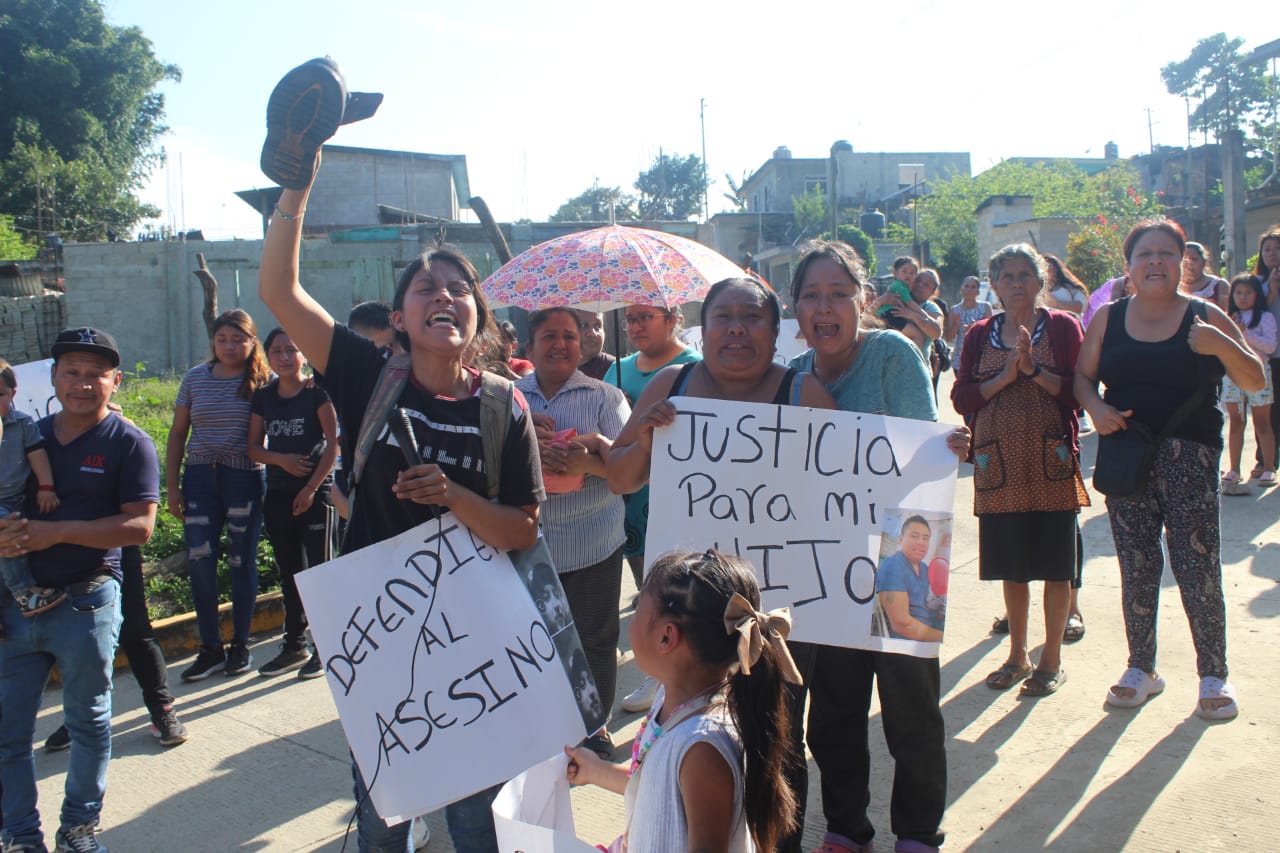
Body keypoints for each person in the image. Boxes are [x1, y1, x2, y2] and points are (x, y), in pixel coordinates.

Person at [259, 157, 545, 851]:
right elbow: (277, 288)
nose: (442, 295)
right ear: (399, 315)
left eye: (457, 288)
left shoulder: (503, 403)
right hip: (379, 638)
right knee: (383, 816)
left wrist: (453, 497)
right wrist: (298, 178)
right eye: (425, 288)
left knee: (477, 819)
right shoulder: (362, 372)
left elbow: (522, 527)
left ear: (476, 313)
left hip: (475, 642)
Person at [788, 241, 967, 853]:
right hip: (828, 571)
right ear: (796, 309)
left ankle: (917, 834)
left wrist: (909, 572)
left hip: (900, 558)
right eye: (812, 296)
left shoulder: (892, 352)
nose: (826, 307)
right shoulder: (792, 379)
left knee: (911, 712)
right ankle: (846, 830)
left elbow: (920, 460)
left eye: (839, 293)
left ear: (863, 300)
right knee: (833, 716)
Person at [1075, 218, 1262, 721]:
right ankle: (1142, 669)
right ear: (1130, 265)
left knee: (1196, 566)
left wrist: (1221, 346)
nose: (1154, 262)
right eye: (1143, 254)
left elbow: (1255, 375)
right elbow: (1083, 378)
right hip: (1125, 453)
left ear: (1183, 262)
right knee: (1136, 565)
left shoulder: (1205, 316)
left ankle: (1213, 674)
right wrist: (1095, 408)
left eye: (1164, 253)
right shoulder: (1108, 318)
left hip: (1189, 456)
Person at [0, 327, 160, 853]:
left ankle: (78, 829)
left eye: (96, 375)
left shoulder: (129, 442)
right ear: (53, 378)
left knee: (88, 723)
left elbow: (140, 527)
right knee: (8, 735)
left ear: (115, 382)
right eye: (72, 371)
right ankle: (22, 836)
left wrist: (57, 531)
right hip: (15, 606)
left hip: (86, 600)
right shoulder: (22, 435)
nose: (83, 384)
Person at [564, 549, 801, 853]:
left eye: (638, 612)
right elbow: (656, 790)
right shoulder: (671, 700)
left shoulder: (702, 747)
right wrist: (595, 771)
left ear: (666, 637)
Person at [952, 243, 1089, 699]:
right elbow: (962, 398)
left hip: (1050, 461)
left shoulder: (1064, 328)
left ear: (1040, 282)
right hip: (999, 466)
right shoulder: (979, 335)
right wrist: (1003, 378)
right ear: (994, 284)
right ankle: (1017, 654)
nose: (1015, 284)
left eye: (1024, 275)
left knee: (1056, 565)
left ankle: (1051, 658)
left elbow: (1079, 393)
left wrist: (1032, 371)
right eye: (1006, 276)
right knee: (1012, 567)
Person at [515, 307, 630, 759]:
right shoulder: (508, 398)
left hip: (595, 541)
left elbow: (634, 469)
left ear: (582, 346)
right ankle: (546, 724)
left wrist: (589, 462)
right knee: (536, 640)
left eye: (569, 335)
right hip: (528, 544)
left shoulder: (606, 398)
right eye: (549, 336)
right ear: (530, 347)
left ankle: (594, 725)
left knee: (596, 638)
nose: (560, 344)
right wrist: (526, 438)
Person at [603, 302, 701, 714]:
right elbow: (611, 439)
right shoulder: (616, 371)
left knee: (678, 595)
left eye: (647, 317)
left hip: (680, 501)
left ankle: (670, 679)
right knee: (647, 587)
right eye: (631, 319)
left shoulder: (693, 369)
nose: (637, 326)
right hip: (627, 501)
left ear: (673, 318)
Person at [167, 309, 270, 681]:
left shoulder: (262, 379)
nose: (229, 345)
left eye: (238, 338)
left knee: (242, 562)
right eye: (222, 338)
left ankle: (240, 645)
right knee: (200, 561)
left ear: (252, 341)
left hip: (243, 478)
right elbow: (178, 433)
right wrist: (173, 486)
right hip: (199, 479)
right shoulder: (196, 378)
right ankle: (210, 647)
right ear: (213, 341)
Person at [247, 328, 339, 678]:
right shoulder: (264, 397)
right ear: (267, 356)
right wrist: (282, 460)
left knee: (320, 574)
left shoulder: (317, 393)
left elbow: (333, 444)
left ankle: (327, 647)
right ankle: (294, 645)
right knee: (290, 574)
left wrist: (312, 487)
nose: (285, 357)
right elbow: (253, 447)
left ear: (303, 355)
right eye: (277, 351)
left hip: (316, 495)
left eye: (292, 349)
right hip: (279, 493)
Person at [0, 359, 64, 629]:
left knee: (18, 537)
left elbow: (37, 456)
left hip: (18, 498)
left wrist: (46, 487)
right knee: (10, 535)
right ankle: (23, 592)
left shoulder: (22, 424)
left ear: (13, 395)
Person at [1220, 273, 1277, 493]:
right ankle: (1234, 469)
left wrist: (1245, 334)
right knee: (1235, 421)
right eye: (1239, 292)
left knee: (1262, 423)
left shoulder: (1265, 317)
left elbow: (1270, 346)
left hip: (1259, 374)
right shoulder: (1226, 318)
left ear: (1257, 294)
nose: (1243, 297)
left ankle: (1269, 467)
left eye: (1248, 292)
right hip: (1232, 375)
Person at [876, 515, 944, 641]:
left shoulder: (925, 569)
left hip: (928, 634)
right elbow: (903, 625)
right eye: (914, 536)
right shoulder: (893, 566)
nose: (921, 542)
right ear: (901, 539)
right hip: (905, 646)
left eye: (925, 538)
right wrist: (943, 637)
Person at [1253, 226, 1280, 478]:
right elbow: (1257, 314)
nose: (1272, 254)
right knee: (1268, 412)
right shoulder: (1257, 284)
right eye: (1267, 249)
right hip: (1268, 356)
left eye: (1276, 248)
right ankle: (1265, 461)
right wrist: (1271, 290)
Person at [949, 275, 993, 368]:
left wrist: (976, 327)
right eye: (966, 286)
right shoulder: (954, 310)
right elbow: (948, 337)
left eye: (973, 287)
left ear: (978, 291)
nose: (969, 289)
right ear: (961, 289)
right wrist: (956, 325)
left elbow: (991, 332)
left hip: (981, 355)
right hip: (960, 357)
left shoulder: (985, 307)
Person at [1179, 241, 1229, 309]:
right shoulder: (1173, 287)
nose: (1189, 264)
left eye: (1194, 259)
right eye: (1184, 260)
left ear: (1204, 262)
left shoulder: (1219, 285)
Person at [573, 308, 616, 381]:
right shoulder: (555, 369)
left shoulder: (616, 369)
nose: (592, 333)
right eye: (583, 326)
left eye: (597, 326)